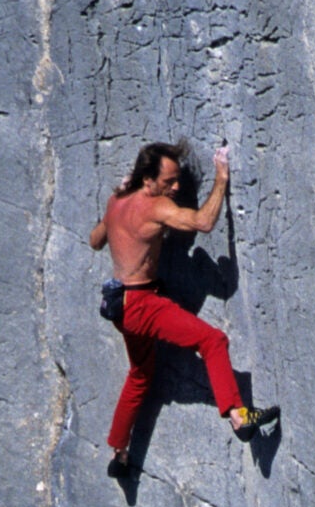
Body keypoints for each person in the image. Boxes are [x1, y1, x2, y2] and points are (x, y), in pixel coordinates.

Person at [90, 140, 279, 476]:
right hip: (142, 303)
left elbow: (95, 241)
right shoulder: (156, 207)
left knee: (140, 375)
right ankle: (239, 417)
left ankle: (119, 453)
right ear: (147, 180)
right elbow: (204, 222)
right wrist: (221, 178)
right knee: (213, 340)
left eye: (178, 180)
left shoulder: (116, 200)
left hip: (119, 305)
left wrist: (113, 208)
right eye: (169, 181)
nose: (175, 187)